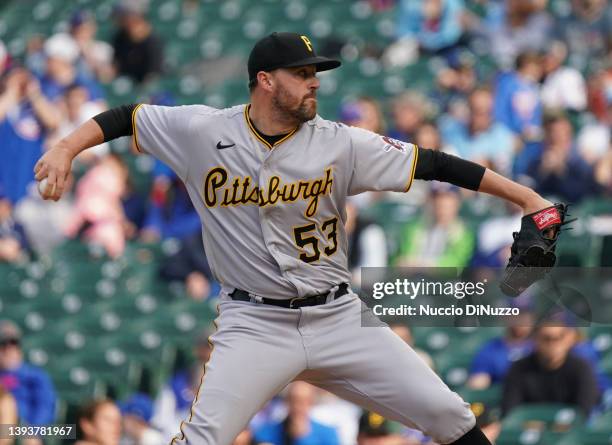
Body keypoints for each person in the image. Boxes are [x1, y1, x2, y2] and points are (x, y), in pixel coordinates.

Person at [35, 31, 558, 445]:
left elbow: (434, 164)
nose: (315, 83)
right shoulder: (201, 131)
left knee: (450, 415)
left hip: (337, 317)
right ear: (265, 80)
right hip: (255, 324)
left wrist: (526, 198)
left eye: (316, 73)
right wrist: (65, 148)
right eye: (302, 73)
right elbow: (127, 117)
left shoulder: (340, 142)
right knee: (203, 438)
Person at [501, 321, 600, 416]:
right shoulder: (520, 369)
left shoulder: (581, 368)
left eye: (559, 338)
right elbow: (510, 412)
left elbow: (584, 410)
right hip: (531, 428)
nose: (552, 344)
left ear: (569, 339)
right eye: (546, 338)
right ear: (535, 339)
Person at [0, 320, 56, 426]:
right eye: (3, 344)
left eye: (13, 343)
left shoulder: (35, 376)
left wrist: (33, 431)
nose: (8, 349)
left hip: (24, 432)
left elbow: (45, 408)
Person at [252, 382, 340, 445]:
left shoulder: (328, 434)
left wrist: (303, 438)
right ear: (287, 401)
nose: (298, 406)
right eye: (294, 400)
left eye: (303, 401)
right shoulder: (266, 431)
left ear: (311, 403)